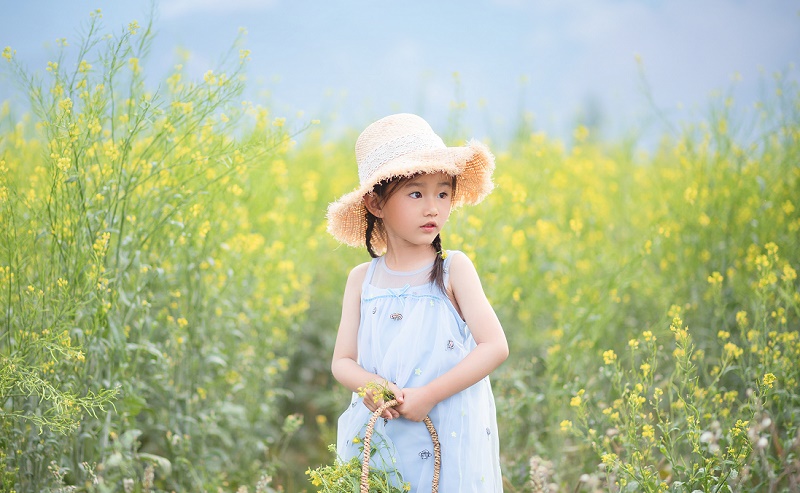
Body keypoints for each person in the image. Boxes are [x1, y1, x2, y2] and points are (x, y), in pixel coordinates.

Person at [327, 113, 508, 491]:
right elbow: (342, 361)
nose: (433, 208)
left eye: (443, 193)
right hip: (384, 430)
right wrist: (370, 386)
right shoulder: (362, 279)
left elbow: (495, 346)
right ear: (376, 204)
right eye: (416, 193)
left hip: (446, 428)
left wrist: (428, 396)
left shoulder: (454, 270)